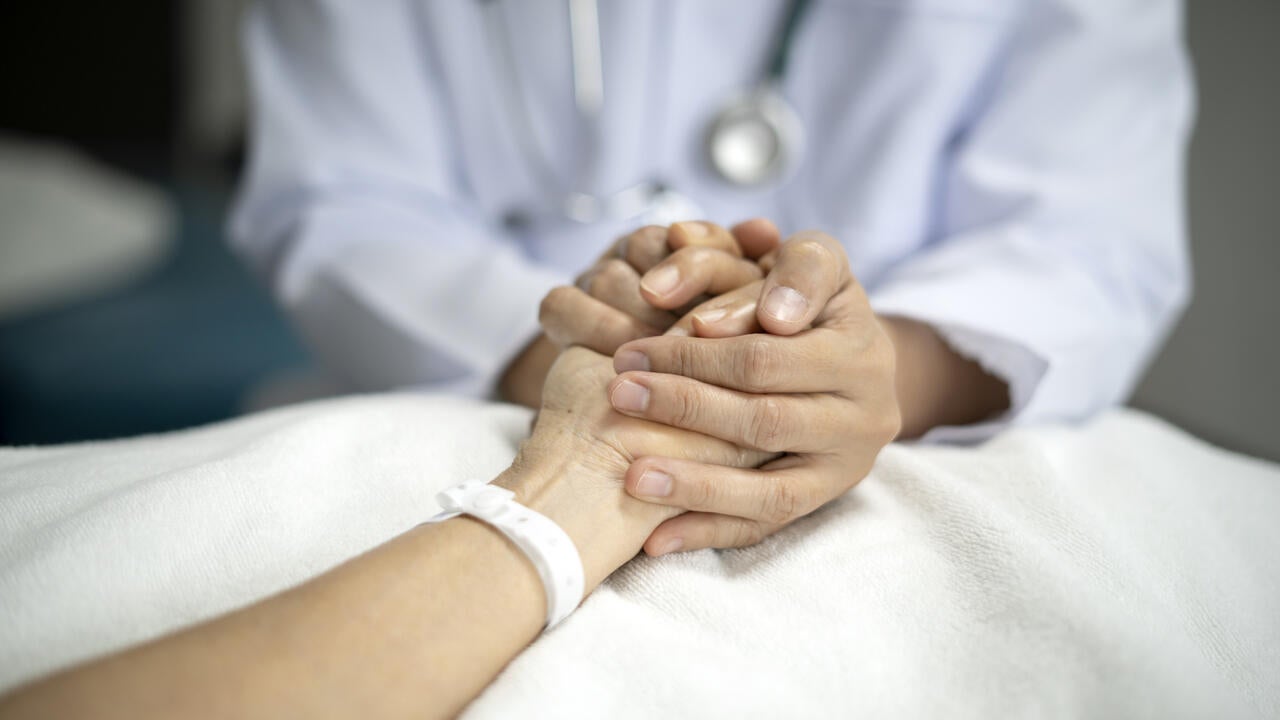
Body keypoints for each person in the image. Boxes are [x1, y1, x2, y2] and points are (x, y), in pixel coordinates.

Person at [231, 2, 1194, 552]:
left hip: (930, 424)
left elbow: (1088, 244)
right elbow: (339, 198)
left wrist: (849, 376)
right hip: (466, 393)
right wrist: (568, 353)